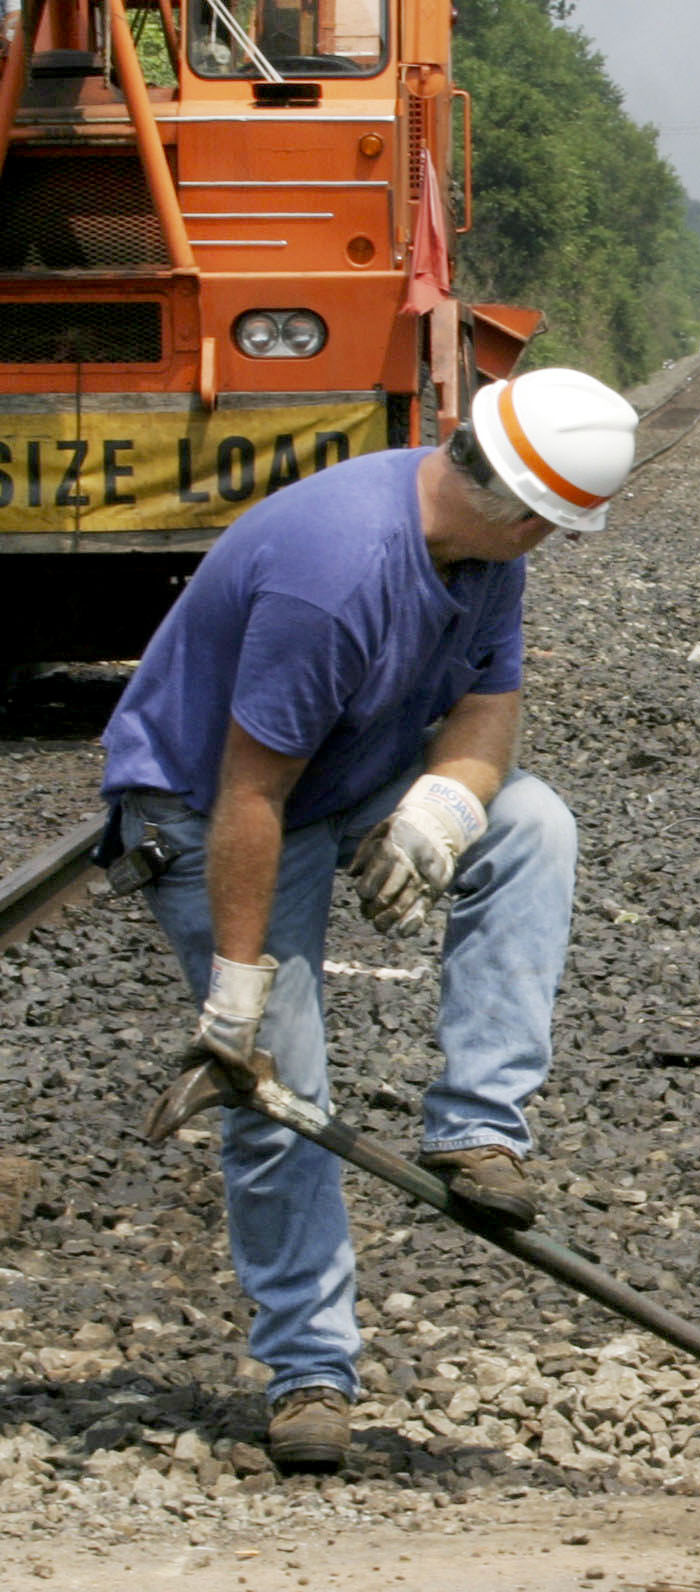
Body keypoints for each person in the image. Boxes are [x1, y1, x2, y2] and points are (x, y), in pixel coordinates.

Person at [98, 368, 640, 1472]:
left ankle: (477, 1121)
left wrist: (442, 809)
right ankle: (310, 1368)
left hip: (350, 775)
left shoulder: (482, 551)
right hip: (214, 811)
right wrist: (236, 995)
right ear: (528, 510)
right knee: (277, 1083)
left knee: (531, 824)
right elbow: (249, 796)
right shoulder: (336, 574)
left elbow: (490, 705)